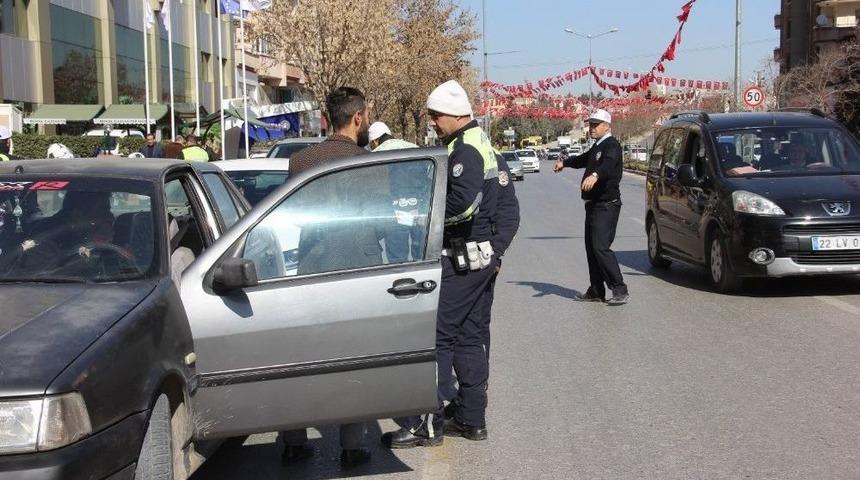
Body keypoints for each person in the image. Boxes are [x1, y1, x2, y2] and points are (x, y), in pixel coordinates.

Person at [383, 79, 498, 448]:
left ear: (452, 114)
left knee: (436, 338)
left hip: (461, 259)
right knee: (469, 336)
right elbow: (506, 207)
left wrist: (425, 221)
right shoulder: (478, 143)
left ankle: (426, 424)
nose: (432, 123)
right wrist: (496, 249)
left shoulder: (465, 149)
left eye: (435, 117)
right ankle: (471, 418)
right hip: (477, 259)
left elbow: (462, 204)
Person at [279, 86, 374, 468]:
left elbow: (290, 216)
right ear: (357, 118)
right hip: (360, 274)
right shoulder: (370, 162)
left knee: (303, 361)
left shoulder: (301, 162)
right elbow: (380, 224)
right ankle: (351, 446)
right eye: (365, 116)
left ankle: (294, 441)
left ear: (325, 119)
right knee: (354, 361)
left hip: (311, 271)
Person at [552, 109, 629, 306]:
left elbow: (608, 165)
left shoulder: (612, 146)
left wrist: (595, 176)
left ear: (607, 126)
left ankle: (619, 288)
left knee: (600, 247)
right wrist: (565, 163)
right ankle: (596, 290)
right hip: (593, 205)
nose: (591, 128)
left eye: (595, 125)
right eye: (590, 124)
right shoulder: (598, 146)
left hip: (606, 205)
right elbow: (583, 159)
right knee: (591, 249)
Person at [367, 121, 425, 262]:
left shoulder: (377, 155)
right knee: (422, 255)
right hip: (419, 210)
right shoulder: (414, 148)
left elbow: (376, 189)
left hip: (394, 213)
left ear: (375, 141)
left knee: (398, 259)